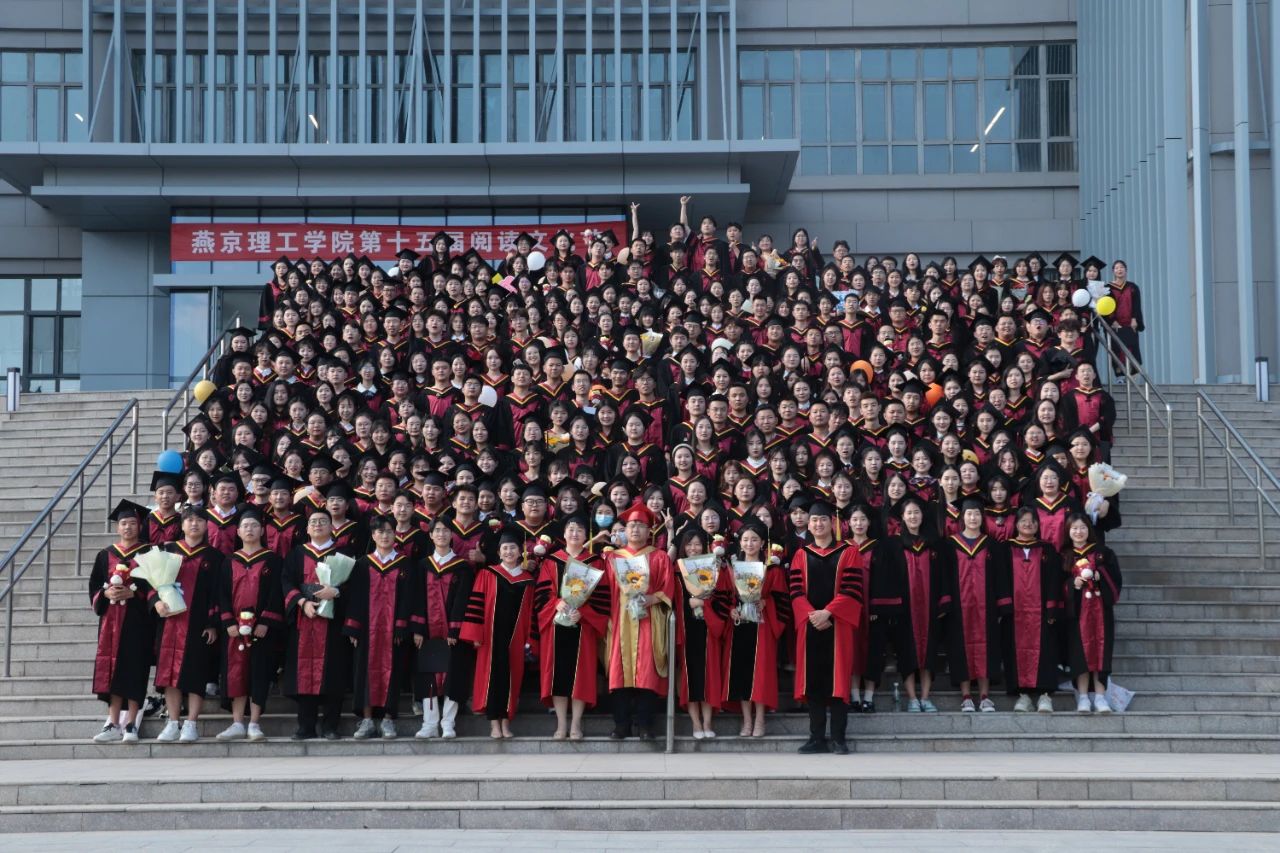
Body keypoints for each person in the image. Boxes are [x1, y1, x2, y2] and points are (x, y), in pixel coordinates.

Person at [788, 500, 864, 755]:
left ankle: (839, 738)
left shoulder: (849, 552)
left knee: (838, 683)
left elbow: (852, 588)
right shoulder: (801, 555)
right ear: (808, 525)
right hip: (810, 625)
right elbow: (795, 591)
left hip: (838, 624)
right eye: (814, 520)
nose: (818, 524)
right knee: (814, 683)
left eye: (822, 519)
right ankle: (816, 738)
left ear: (832, 523)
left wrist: (828, 612)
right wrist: (812, 615)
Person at [604, 502, 677, 741]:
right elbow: (604, 591)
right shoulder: (612, 558)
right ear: (624, 530)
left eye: (641, 525)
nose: (635, 529)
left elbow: (668, 588)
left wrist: (652, 598)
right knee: (619, 672)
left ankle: (646, 725)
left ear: (649, 531)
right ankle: (621, 725)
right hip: (620, 620)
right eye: (631, 525)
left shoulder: (659, 557)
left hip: (649, 620)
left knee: (647, 672)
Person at [152, 507, 224, 743]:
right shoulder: (167, 551)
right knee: (169, 674)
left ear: (206, 525)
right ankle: (173, 723)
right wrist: (156, 602)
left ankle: (191, 723)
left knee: (196, 673)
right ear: (182, 525)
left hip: (198, 625)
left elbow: (219, 594)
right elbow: (151, 584)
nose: (194, 524)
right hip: (170, 623)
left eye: (199, 520)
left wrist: (213, 624)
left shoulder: (215, 557)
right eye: (189, 520)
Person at [535, 514, 610, 740]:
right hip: (555, 624)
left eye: (579, 529)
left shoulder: (595, 562)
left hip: (582, 626)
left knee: (581, 676)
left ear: (586, 535)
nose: (575, 533)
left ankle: (576, 724)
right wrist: (556, 603)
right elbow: (542, 594)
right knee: (558, 675)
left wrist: (583, 613)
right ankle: (561, 724)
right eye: (571, 529)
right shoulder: (551, 561)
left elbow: (603, 598)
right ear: (564, 534)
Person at [281, 508, 353, 740]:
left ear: (332, 526)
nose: (318, 525)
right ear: (307, 528)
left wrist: (337, 592)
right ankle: (306, 726)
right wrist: (302, 602)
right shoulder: (296, 554)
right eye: (313, 522)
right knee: (303, 673)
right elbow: (286, 582)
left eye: (323, 521)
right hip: (303, 621)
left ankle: (331, 726)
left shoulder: (344, 555)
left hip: (333, 624)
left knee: (333, 673)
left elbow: (356, 587)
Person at [459, 528, 537, 739]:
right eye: (505, 548)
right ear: (499, 553)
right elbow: (476, 605)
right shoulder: (487, 574)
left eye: (513, 548)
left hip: (516, 638)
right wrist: (475, 635)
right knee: (493, 678)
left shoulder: (527, 580)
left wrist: (530, 640)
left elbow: (531, 613)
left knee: (512, 679)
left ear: (520, 552)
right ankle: (495, 724)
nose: (509, 552)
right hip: (490, 637)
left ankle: (506, 723)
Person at [88, 500, 154, 744]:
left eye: (133, 523)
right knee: (112, 670)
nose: (128, 527)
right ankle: (112, 723)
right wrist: (105, 593)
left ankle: (131, 724)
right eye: (124, 523)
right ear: (117, 527)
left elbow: (156, 586)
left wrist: (135, 593)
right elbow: (94, 585)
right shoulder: (105, 555)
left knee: (135, 669)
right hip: (110, 622)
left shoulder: (149, 553)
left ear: (140, 526)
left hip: (138, 622)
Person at [215, 508, 284, 741]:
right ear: (238, 531)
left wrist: (266, 621)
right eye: (245, 526)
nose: (250, 529)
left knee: (259, 673)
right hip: (234, 629)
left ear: (262, 530)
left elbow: (276, 594)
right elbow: (222, 594)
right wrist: (228, 621)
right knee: (236, 673)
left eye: (254, 525)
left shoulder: (273, 560)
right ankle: (237, 723)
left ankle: (254, 723)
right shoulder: (229, 561)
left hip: (261, 629)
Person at [345, 514, 414, 739]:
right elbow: (354, 597)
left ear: (395, 535)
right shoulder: (362, 564)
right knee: (364, 672)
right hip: (367, 629)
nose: (385, 535)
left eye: (389, 531)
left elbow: (408, 598)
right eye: (380, 532)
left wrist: (402, 625)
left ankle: (388, 719)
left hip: (393, 630)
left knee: (392, 673)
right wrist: (353, 627)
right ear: (373, 536)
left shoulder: (404, 564)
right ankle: (366, 720)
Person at [940, 497, 1008, 713]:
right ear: (962, 517)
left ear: (982, 517)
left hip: (986, 607)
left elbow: (1001, 577)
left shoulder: (992, 545)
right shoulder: (950, 545)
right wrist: (946, 603)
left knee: (987, 648)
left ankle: (985, 696)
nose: (973, 518)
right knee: (961, 648)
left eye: (977, 514)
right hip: (959, 608)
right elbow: (943, 577)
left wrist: (1002, 605)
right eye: (969, 514)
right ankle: (966, 695)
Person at [722, 519, 787, 737]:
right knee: (741, 672)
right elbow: (725, 596)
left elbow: (782, 600)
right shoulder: (732, 569)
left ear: (762, 544)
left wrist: (767, 602)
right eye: (745, 540)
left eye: (754, 540)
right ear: (739, 543)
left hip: (762, 626)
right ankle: (747, 721)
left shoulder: (772, 569)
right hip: (739, 626)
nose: (749, 544)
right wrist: (731, 609)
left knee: (760, 675)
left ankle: (760, 720)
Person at [411, 517, 473, 739]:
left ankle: (448, 723)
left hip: (452, 633)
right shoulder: (422, 566)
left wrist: (455, 629)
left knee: (452, 677)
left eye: (446, 530)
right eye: (437, 530)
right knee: (428, 676)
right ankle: (429, 724)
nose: (441, 534)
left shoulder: (463, 567)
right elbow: (417, 598)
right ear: (430, 535)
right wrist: (418, 629)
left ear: (452, 535)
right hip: (428, 633)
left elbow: (462, 600)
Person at [886, 497, 947, 712]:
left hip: (930, 608)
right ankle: (912, 698)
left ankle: (926, 697)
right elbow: (889, 578)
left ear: (923, 515)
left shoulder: (934, 543)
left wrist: (943, 603)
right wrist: (893, 606)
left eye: (917, 512)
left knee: (928, 652)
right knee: (907, 653)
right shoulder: (893, 544)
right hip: (905, 609)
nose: (913, 516)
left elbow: (943, 576)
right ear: (902, 517)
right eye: (909, 513)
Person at [1001, 507, 1064, 714]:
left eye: (1032, 520)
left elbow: (1054, 580)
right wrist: (1004, 606)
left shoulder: (1048, 549)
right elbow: (999, 578)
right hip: (1014, 612)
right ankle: (1023, 696)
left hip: (1042, 612)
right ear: (1016, 524)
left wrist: (1052, 608)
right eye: (1024, 520)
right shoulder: (1005, 549)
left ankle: (1045, 696)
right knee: (1014, 650)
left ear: (1038, 524)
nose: (1028, 524)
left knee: (1045, 649)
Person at [1063, 512, 1124, 714]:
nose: (1078, 532)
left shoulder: (1103, 553)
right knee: (1080, 656)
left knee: (1101, 654)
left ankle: (1100, 697)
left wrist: (1100, 575)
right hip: (1077, 614)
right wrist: (1073, 583)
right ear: (1068, 531)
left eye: (1082, 527)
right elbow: (1056, 585)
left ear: (1089, 529)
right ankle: (1082, 697)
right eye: (1074, 528)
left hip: (1101, 612)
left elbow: (1116, 580)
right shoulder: (1064, 555)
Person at [673, 527, 730, 739]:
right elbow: (671, 601)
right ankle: (696, 724)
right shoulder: (676, 570)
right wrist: (688, 604)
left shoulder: (714, 569)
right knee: (690, 677)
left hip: (708, 628)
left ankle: (707, 722)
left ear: (705, 546)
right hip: (687, 629)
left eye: (697, 544)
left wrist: (704, 605)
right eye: (689, 544)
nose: (693, 548)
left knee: (708, 676)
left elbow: (723, 599)